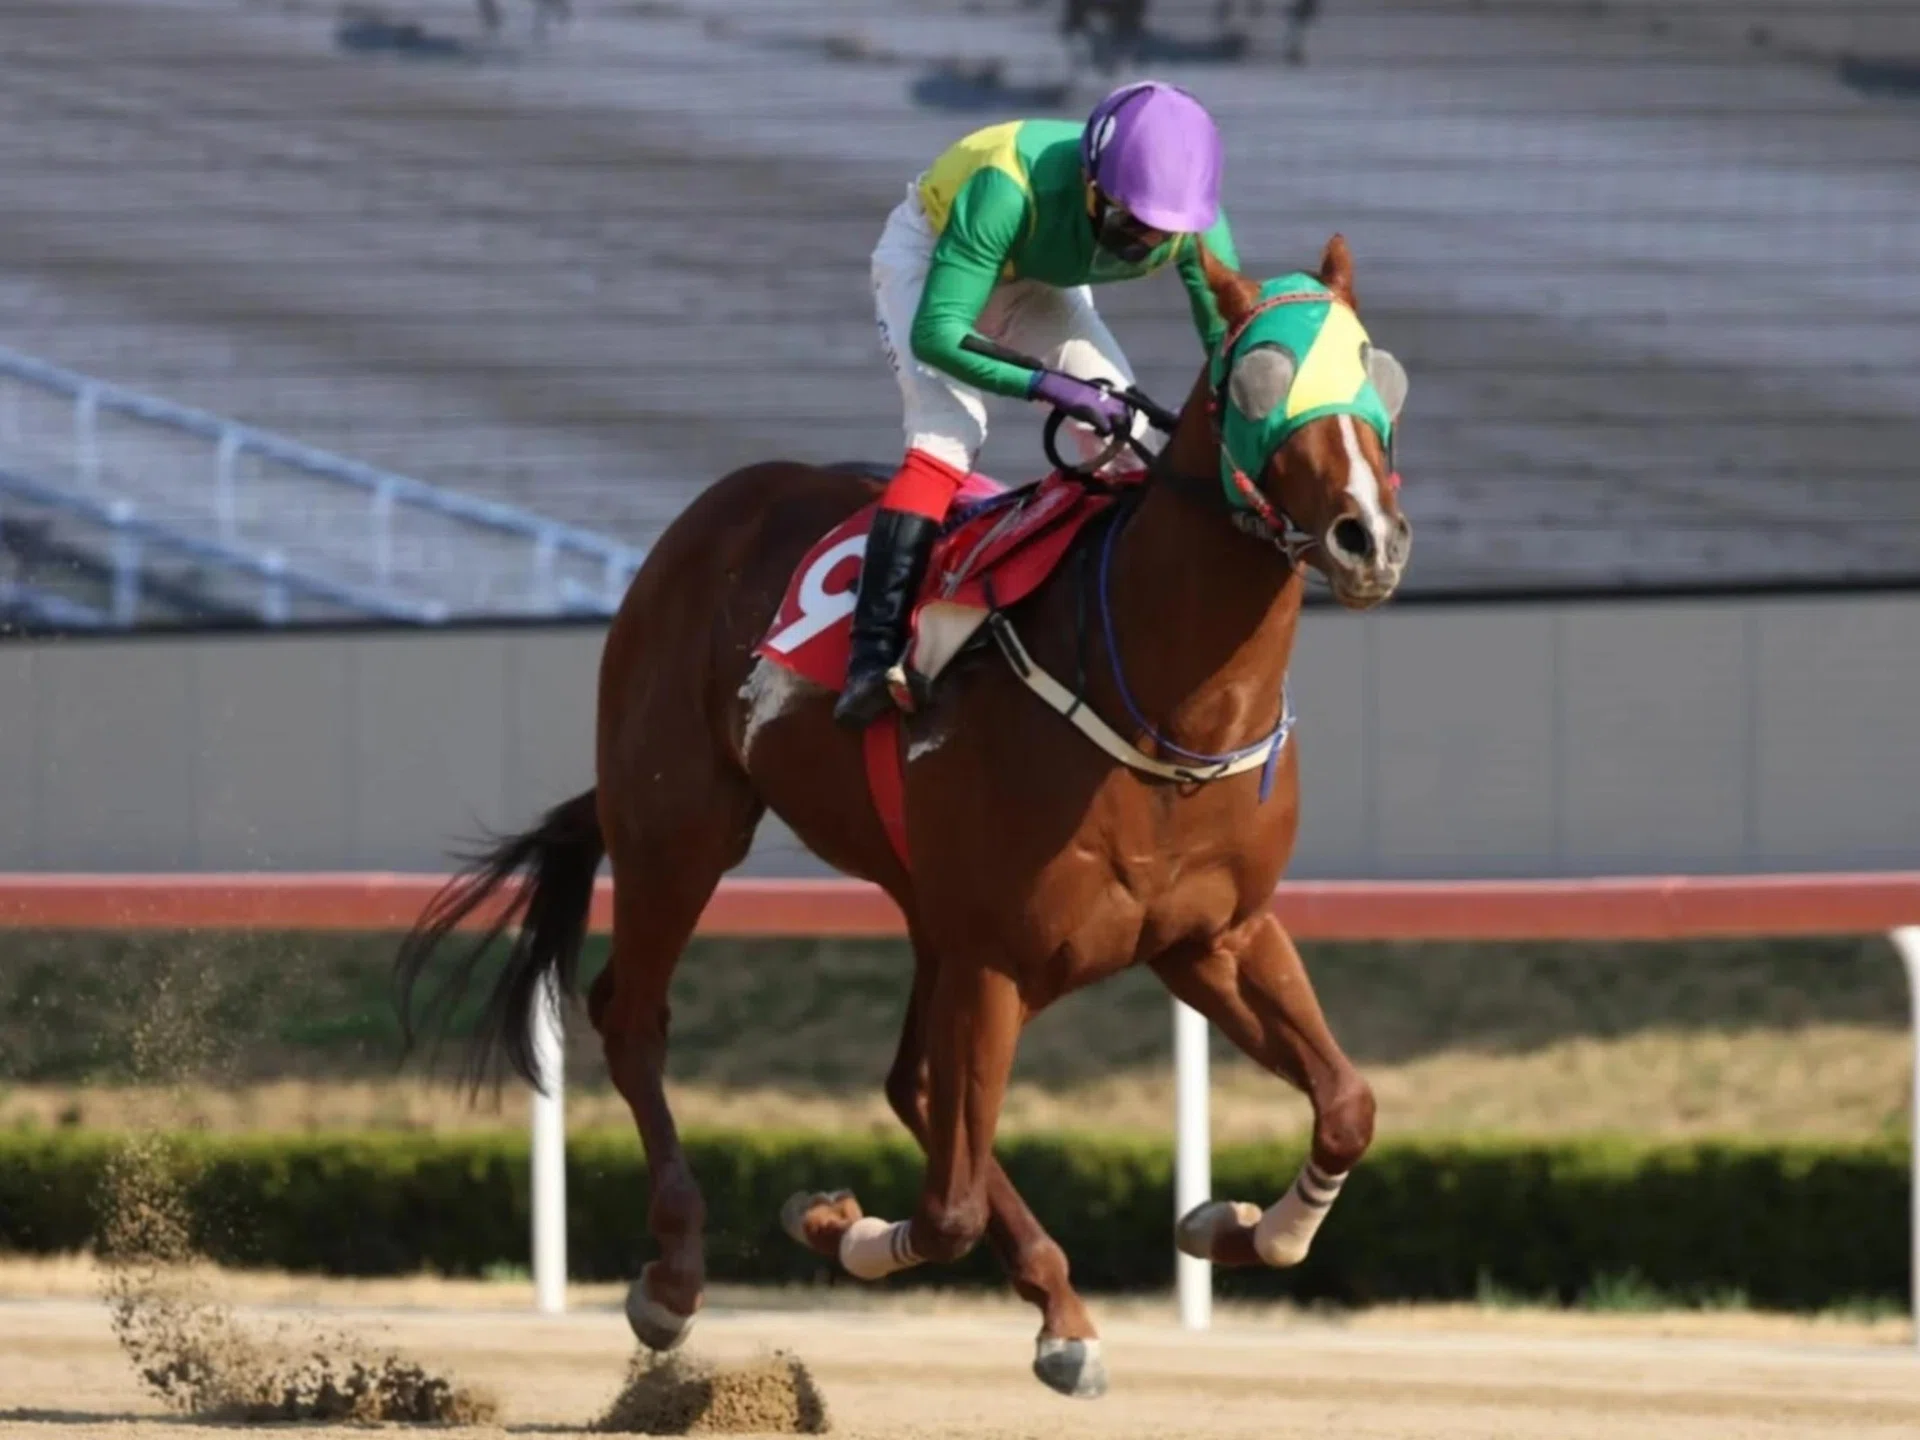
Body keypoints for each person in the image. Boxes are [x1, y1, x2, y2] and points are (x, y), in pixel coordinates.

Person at [837, 80, 1241, 728]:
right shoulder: (1004, 186)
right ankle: (870, 653)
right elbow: (938, 337)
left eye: (1159, 233)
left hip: (1038, 278)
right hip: (938, 255)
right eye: (1126, 221)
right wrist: (1052, 387)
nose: (1139, 242)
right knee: (950, 430)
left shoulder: (1194, 220)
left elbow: (1227, 341)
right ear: (1089, 183)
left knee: (1136, 439)